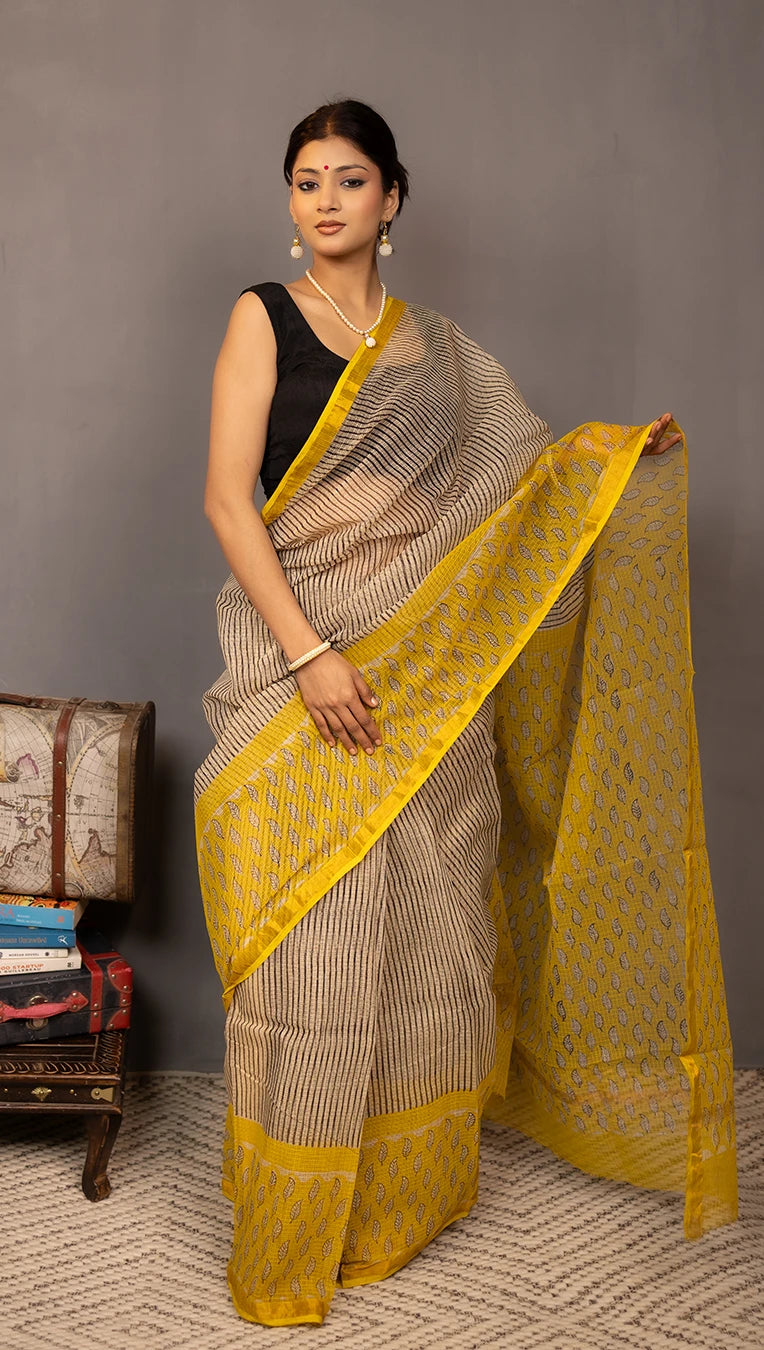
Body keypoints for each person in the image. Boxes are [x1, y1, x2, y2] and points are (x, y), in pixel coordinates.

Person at [195, 99, 737, 1328]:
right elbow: (230, 504)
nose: (324, 200)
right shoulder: (261, 318)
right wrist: (311, 656)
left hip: (431, 683)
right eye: (304, 180)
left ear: (393, 198)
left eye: (348, 179)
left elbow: (519, 485)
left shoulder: (438, 352)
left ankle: (394, 1207)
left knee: (432, 934)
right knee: (315, 948)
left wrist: (610, 462)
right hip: (301, 665)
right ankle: (293, 1235)